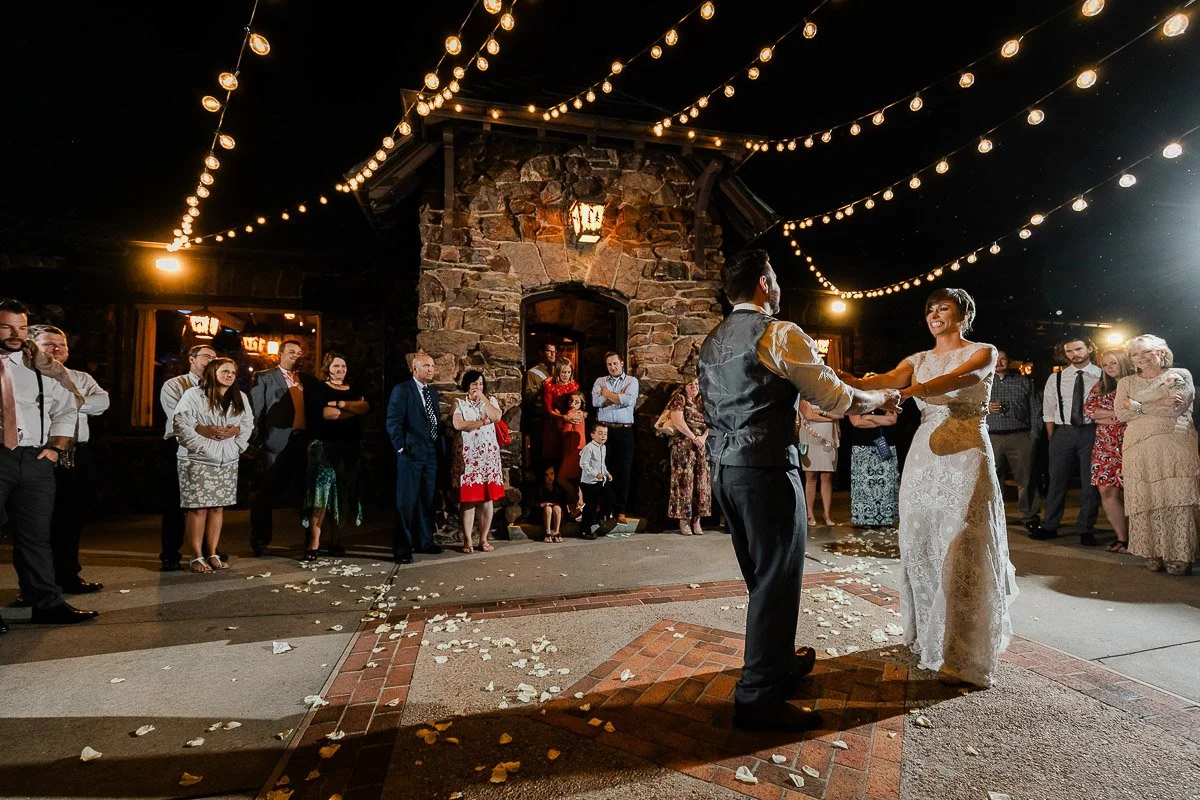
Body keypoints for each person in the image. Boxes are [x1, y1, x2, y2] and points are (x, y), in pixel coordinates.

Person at [699, 251, 899, 732]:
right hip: (766, 470)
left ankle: (778, 662)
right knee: (777, 579)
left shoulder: (712, 339)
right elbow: (830, 395)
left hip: (723, 470)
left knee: (760, 576)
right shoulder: (779, 332)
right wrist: (879, 397)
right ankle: (758, 698)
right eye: (776, 280)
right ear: (765, 284)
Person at [838, 287, 1017, 688]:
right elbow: (881, 380)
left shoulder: (983, 351)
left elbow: (960, 378)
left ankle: (963, 651)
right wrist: (843, 379)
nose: (935, 315)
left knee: (961, 538)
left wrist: (914, 390)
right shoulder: (916, 360)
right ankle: (928, 636)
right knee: (920, 538)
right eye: (931, 310)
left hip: (967, 449)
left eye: (944, 308)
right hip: (924, 454)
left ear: (963, 314)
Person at [0, 298, 95, 630]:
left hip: (35, 458)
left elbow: (67, 406)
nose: (16, 334)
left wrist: (56, 445)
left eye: (22, 327)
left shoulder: (39, 363)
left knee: (36, 536)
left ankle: (47, 604)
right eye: (6, 326)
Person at [32, 325, 109, 594]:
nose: (56, 349)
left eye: (61, 344)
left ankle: (68, 575)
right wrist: (75, 401)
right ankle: (35, 584)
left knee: (72, 516)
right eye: (49, 344)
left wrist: (69, 401)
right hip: (41, 451)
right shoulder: (29, 375)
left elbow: (102, 402)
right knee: (38, 521)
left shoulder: (80, 376)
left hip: (78, 452)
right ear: (32, 345)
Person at [1116, 335, 1199, 576]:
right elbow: (1121, 413)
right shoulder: (1126, 382)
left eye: (1145, 352)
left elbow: (1177, 408)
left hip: (1174, 443)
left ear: (1161, 353)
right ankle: (1153, 551)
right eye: (1134, 354)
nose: (1140, 358)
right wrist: (1156, 402)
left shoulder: (1180, 374)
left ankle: (1180, 555)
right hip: (1138, 446)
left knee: (1176, 499)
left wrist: (1137, 406)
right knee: (1147, 498)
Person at [173, 358, 254, 573]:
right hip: (199, 459)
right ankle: (196, 555)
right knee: (198, 508)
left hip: (227, 458)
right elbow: (181, 423)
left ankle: (212, 552)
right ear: (212, 372)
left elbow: (247, 423)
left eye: (233, 372)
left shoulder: (239, 397)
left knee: (218, 507)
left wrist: (236, 439)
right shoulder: (193, 395)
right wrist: (202, 443)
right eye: (225, 371)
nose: (229, 375)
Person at [1032, 338, 1103, 545]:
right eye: (1069, 351)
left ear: (1089, 348)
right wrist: (1053, 437)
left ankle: (1086, 529)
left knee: (1090, 482)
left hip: (1092, 431)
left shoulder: (1101, 375)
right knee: (1056, 481)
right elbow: (1049, 410)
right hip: (1063, 432)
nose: (1074, 354)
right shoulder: (1056, 378)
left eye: (1078, 349)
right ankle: (1050, 526)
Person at [301, 352, 369, 561]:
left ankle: (336, 541)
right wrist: (352, 410)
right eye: (336, 366)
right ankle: (314, 542)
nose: (340, 370)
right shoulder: (319, 389)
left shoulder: (355, 388)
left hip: (349, 448)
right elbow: (325, 414)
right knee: (321, 495)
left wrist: (339, 404)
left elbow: (365, 407)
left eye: (343, 367)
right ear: (328, 368)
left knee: (342, 494)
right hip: (324, 447)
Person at [249, 340, 314, 555]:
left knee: (307, 494)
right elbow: (256, 411)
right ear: (281, 354)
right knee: (267, 493)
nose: (296, 355)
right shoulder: (264, 377)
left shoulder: (306, 379)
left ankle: (310, 542)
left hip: (303, 442)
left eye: (299, 352)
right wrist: (256, 441)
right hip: (276, 443)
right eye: (291, 352)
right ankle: (260, 540)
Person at [159, 344, 215, 571]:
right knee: (175, 501)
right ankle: (170, 553)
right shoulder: (175, 385)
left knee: (208, 501)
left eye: (214, 357)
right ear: (192, 360)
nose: (210, 360)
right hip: (179, 445)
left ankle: (206, 550)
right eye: (206, 357)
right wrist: (209, 427)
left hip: (211, 447)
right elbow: (179, 418)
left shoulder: (218, 387)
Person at [386, 352, 446, 562]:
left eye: (432, 366)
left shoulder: (432, 393)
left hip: (430, 454)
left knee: (426, 499)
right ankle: (403, 548)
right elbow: (393, 420)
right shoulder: (402, 390)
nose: (431, 369)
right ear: (415, 369)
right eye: (427, 366)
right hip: (410, 454)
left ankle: (424, 541)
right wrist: (401, 448)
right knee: (406, 502)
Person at [1084, 349, 1135, 553]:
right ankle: (1122, 539)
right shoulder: (1101, 386)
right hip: (1104, 445)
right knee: (1106, 490)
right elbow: (1088, 410)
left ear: (1123, 362)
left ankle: (1141, 538)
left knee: (1133, 490)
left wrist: (1105, 416)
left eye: (1113, 363)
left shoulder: (1134, 383)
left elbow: (1135, 412)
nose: (1109, 368)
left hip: (1130, 441)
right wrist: (1118, 415)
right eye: (1105, 365)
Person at [986, 349, 1042, 530]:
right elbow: (969, 409)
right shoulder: (981, 384)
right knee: (993, 480)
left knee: (1026, 479)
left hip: (1020, 436)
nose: (999, 363)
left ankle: (1029, 517)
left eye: (1003, 359)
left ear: (1009, 362)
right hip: (992, 436)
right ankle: (996, 517)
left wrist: (1034, 435)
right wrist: (985, 407)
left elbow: (1035, 410)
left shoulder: (1024, 382)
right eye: (995, 359)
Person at [451, 370, 504, 554]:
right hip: (469, 458)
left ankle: (483, 538)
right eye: (474, 384)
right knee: (469, 500)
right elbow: (458, 425)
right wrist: (482, 422)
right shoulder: (459, 403)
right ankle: (467, 540)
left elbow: (496, 417)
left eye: (480, 384)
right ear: (467, 385)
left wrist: (483, 399)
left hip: (489, 458)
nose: (477, 387)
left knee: (487, 499)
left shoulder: (490, 401)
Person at [591, 352, 639, 524]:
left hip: (624, 431)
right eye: (609, 364)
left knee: (623, 471)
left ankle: (621, 510)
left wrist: (608, 395)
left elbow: (628, 401)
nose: (612, 367)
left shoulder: (631, 382)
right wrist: (617, 397)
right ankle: (605, 509)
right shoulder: (600, 381)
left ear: (622, 363)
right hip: (605, 430)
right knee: (604, 469)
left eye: (615, 363)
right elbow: (596, 402)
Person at [665, 375, 712, 535]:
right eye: (690, 384)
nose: (694, 387)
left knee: (701, 483)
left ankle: (697, 520)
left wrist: (703, 438)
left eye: (696, 384)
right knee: (684, 482)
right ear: (685, 386)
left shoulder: (704, 401)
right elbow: (677, 421)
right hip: (683, 446)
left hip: (701, 446)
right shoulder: (679, 399)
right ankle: (684, 520)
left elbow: (713, 422)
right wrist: (693, 437)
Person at [846, 408, 900, 527]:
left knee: (886, 484)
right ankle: (866, 519)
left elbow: (892, 420)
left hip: (884, 445)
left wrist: (869, 417)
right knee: (864, 485)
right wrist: (881, 420)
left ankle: (886, 518)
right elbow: (857, 422)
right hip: (862, 448)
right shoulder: (856, 400)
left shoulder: (885, 399)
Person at [798, 399, 840, 527]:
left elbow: (839, 415)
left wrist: (821, 412)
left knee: (827, 476)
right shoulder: (803, 396)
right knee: (811, 476)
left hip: (828, 437)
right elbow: (809, 415)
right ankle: (810, 513)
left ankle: (827, 513)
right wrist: (829, 417)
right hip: (810, 437)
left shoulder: (829, 395)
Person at [523, 342, 558, 468]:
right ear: (541, 353)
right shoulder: (532, 373)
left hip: (555, 416)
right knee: (539, 450)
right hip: (539, 416)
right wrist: (542, 386)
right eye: (549, 351)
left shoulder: (557, 372)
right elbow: (527, 397)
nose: (553, 354)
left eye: (554, 351)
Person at [577, 422, 614, 540]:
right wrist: (594, 473)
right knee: (590, 506)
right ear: (592, 435)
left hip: (601, 480)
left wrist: (607, 473)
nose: (603, 436)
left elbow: (602, 464)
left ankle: (599, 518)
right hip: (589, 482)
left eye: (605, 434)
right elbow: (583, 463)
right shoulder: (589, 448)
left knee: (609, 498)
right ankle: (585, 530)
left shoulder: (603, 447)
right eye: (600, 433)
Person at [541, 361, 580, 467]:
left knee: (568, 453)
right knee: (552, 454)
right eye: (563, 372)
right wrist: (562, 417)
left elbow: (578, 404)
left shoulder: (574, 386)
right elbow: (547, 410)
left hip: (569, 423)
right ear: (558, 372)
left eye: (568, 372)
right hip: (553, 423)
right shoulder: (549, 385)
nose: (566, 375)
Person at [556, 391, 587, 515]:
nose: (573, 404)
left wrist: (559, 418)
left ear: (581, 403)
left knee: (561, 478)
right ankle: (578, 502)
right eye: (571, 401)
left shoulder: (571, 413)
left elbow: (565, 432)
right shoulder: (580, 414)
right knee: (577, 477)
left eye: (576, 402)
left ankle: (579, 500)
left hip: (573, 449)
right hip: (577, 447)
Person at [533, 465, 566, 542]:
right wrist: (542, 504)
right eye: (547, 475)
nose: (550, 477)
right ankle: (547, 533)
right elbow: (531, 502)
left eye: (551, 474)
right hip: (542, 515)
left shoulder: (558, 488)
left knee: (557, 508)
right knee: (548, 509)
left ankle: (556, 532)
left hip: (556, 516)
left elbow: (563, 502)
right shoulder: (537, 488)